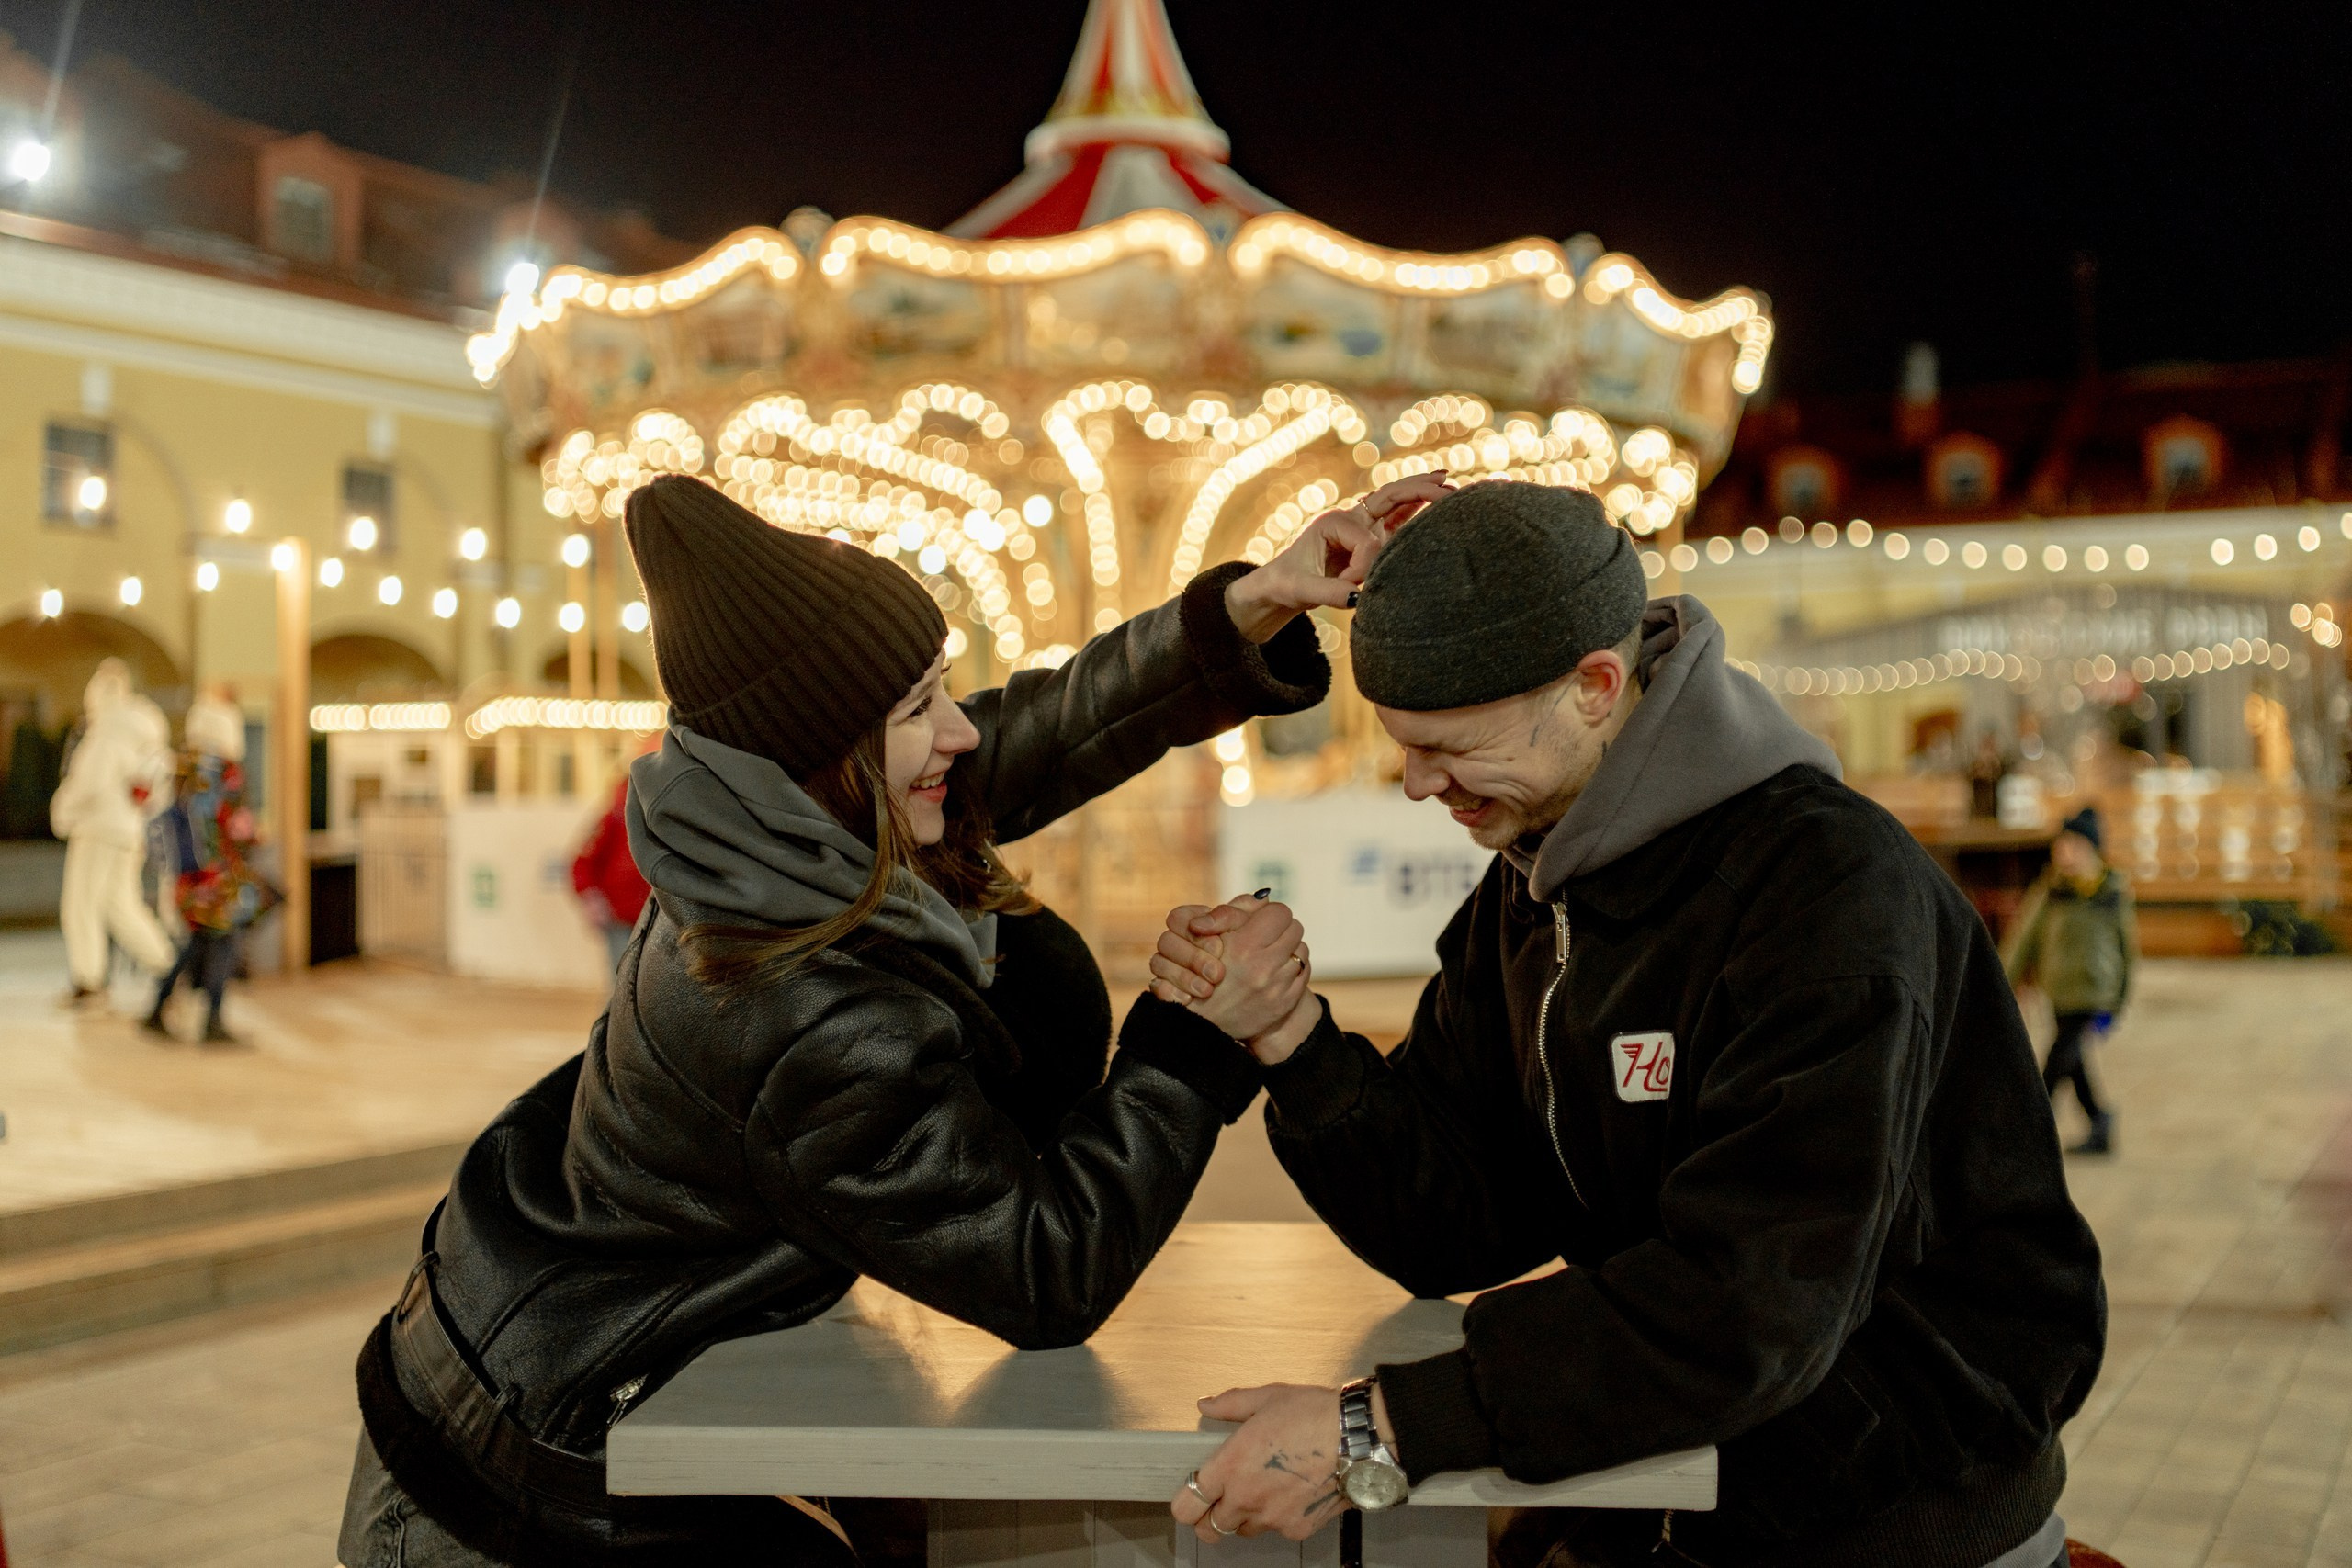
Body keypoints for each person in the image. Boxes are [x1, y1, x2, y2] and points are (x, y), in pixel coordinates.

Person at [336, 470, 1444, 1568]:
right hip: (509, 1467)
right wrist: (1193, 1036)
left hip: (536, 1351)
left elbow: (1048, 727)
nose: (959, 732)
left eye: (941, 687)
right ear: (825, 753)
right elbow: (1041, 1269)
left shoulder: (772, 829)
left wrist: (1254, 603)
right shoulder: (796, 1002)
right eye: (916, 707)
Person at [1151, 482, 2105, 1568]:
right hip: (1666, 1486)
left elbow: (1751, 1301)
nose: (1417, 786)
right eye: (1401, 747)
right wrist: (1293, 1040)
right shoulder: (1528, 898)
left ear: (1596, 687)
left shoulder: (1825, 896)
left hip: (1890, 1522)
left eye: (1449, 744)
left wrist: (1382, 1425)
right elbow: (1454, 1224)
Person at [142, 690, 273, 1044]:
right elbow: (232, 825)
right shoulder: (225, 770)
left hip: (187, 876)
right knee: (223, 942)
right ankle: (212, 1020)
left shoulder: (180, 765)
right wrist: (251, 834)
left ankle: (158, 1008)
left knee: (200, 942)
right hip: (217, 879)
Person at [2005, 807, 2134, 1156]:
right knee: (2074, 1064)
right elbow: (2024, 939)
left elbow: (2126, 947)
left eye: (2073, 846)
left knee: (2057, 1061)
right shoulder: (2050, 891)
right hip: (2060, 991)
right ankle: (2100, 1121)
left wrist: (2121, 998)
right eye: (2060, 847)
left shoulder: (2112, 892)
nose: (2064, 854)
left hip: (2095, 993)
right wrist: (2005, 981)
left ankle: (2030, 1132)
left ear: (2092, 850)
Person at [51, 659, 177, 1008]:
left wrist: (62, 812)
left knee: (81, 906)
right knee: (121, 904)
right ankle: (167, 964)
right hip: (128, 834)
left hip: (97, 831)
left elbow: (87, 784)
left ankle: (89, 981)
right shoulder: (145, 736)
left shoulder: (107, 735)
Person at [570, 760, 650, 972]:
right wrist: (592, 899)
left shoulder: (654, 815)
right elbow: (583, 863)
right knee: (623, 979)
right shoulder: (614, 817)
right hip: (622, 916)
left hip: (654, 916)